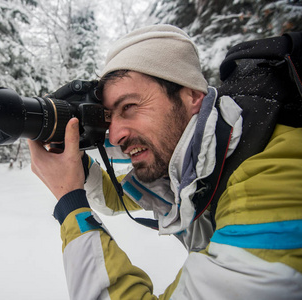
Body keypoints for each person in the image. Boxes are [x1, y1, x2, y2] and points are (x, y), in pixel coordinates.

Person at [28, 25, 302, 299]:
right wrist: (77, 164)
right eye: (111, 117)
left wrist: (70, 203)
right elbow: (117, 196)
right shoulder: (191, 164)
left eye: (130, 107)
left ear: (192, 95)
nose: (115, 135)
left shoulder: (269, 177)